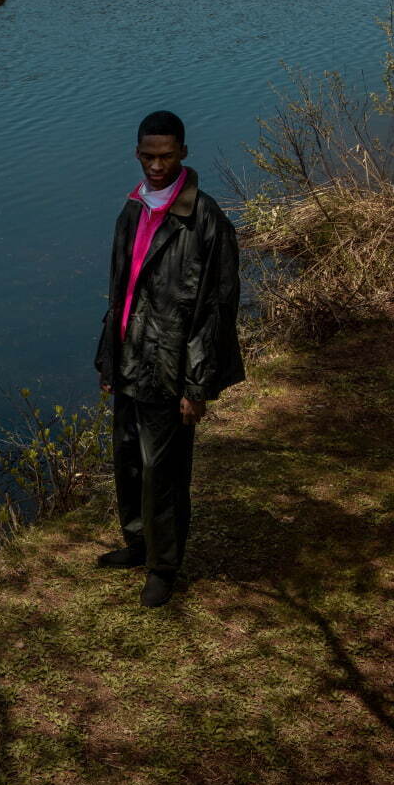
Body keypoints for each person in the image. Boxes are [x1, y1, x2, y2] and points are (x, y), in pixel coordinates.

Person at [94, 110, 244, 607]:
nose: (156, 165)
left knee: (165, 471)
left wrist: (196, 385)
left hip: (173, 367)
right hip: (131, 359)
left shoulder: (206, 220)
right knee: (129, 460)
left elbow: (216, 309)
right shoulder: (132, 209)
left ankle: (164, 566)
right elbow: (121, 293)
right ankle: (138, 542)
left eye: (166, 156)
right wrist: (108, 358)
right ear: (137, 153)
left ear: (183, 153)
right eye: (148, 156)